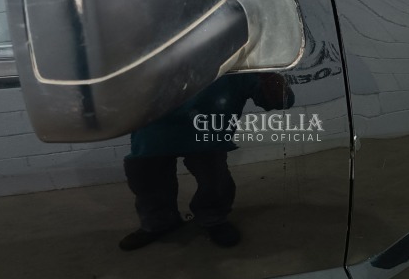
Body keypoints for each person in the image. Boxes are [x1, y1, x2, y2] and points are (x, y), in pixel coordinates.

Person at [119, 73, 294, 251]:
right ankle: (159, 222)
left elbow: (281, 101)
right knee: (145, 176)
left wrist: (270, 78)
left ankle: (213, 218)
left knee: (214, 177)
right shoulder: (148, 57)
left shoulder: (235, 60)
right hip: (154, 128)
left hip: (206, 129)